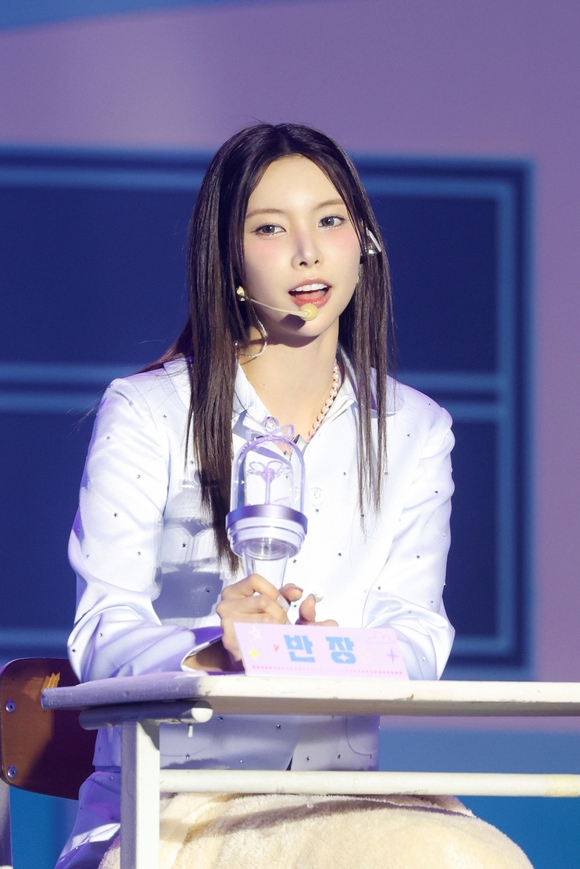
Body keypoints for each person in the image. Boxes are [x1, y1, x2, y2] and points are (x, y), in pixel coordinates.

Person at [56, 123, 457, 868]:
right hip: (168, 803)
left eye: (330, 220)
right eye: (271, 228)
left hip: (336, 806)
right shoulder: (149, 411)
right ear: (230, 260)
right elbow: (102, 632)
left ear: (364, 244)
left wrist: (328, 653)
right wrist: (216, 648)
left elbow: (419, 633)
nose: (308, 251)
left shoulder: (415, 428)